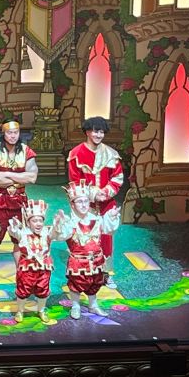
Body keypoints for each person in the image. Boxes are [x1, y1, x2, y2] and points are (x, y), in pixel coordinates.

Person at [67, 116, 124, 288]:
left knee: (106, 237)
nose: (98, 135)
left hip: (106, 203)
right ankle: (83, 271)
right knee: (84, 237)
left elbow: (118, 178)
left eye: (101, 131)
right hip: (83, 205)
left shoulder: (111, 155)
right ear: (87, 131)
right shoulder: (76, 154)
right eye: (95, 131)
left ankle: (105, 273)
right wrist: (91, 195)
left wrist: (105, 193)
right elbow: (74, 181)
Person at [0, 119, 38, 289]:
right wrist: (19, 177)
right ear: (3, 134)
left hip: (19, 204)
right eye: (9, 133)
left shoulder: (27, 152)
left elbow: (32, 178)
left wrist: (4, 173)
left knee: (19, 241)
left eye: (15, 133)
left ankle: (21, 276)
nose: (13, 136)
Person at [53, 182, 121, 319]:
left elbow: (109, 229)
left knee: (95, 283)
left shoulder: (96, 219)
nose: (83, 205)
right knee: (76, 284)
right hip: (78, 262)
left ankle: (93, 305)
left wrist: (112, 216)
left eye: (85, 201)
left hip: (96, 261)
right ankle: (76, 306)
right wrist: (58, 225)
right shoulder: (70, 222)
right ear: (72, 204)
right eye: (79, 202)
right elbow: (59, 236)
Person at [7, 199, 54, 323]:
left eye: (40, 220)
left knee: (43, 289)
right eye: (34, 221)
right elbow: (13, 232)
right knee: (23, 289)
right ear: (28, 222)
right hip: (27, 267)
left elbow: (58, 233)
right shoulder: (23, 233)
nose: (38, 224)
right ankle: (20, 311)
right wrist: (14, 225)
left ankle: (41, 310)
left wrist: (60, 222)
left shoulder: (47, 232)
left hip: (44, 267)